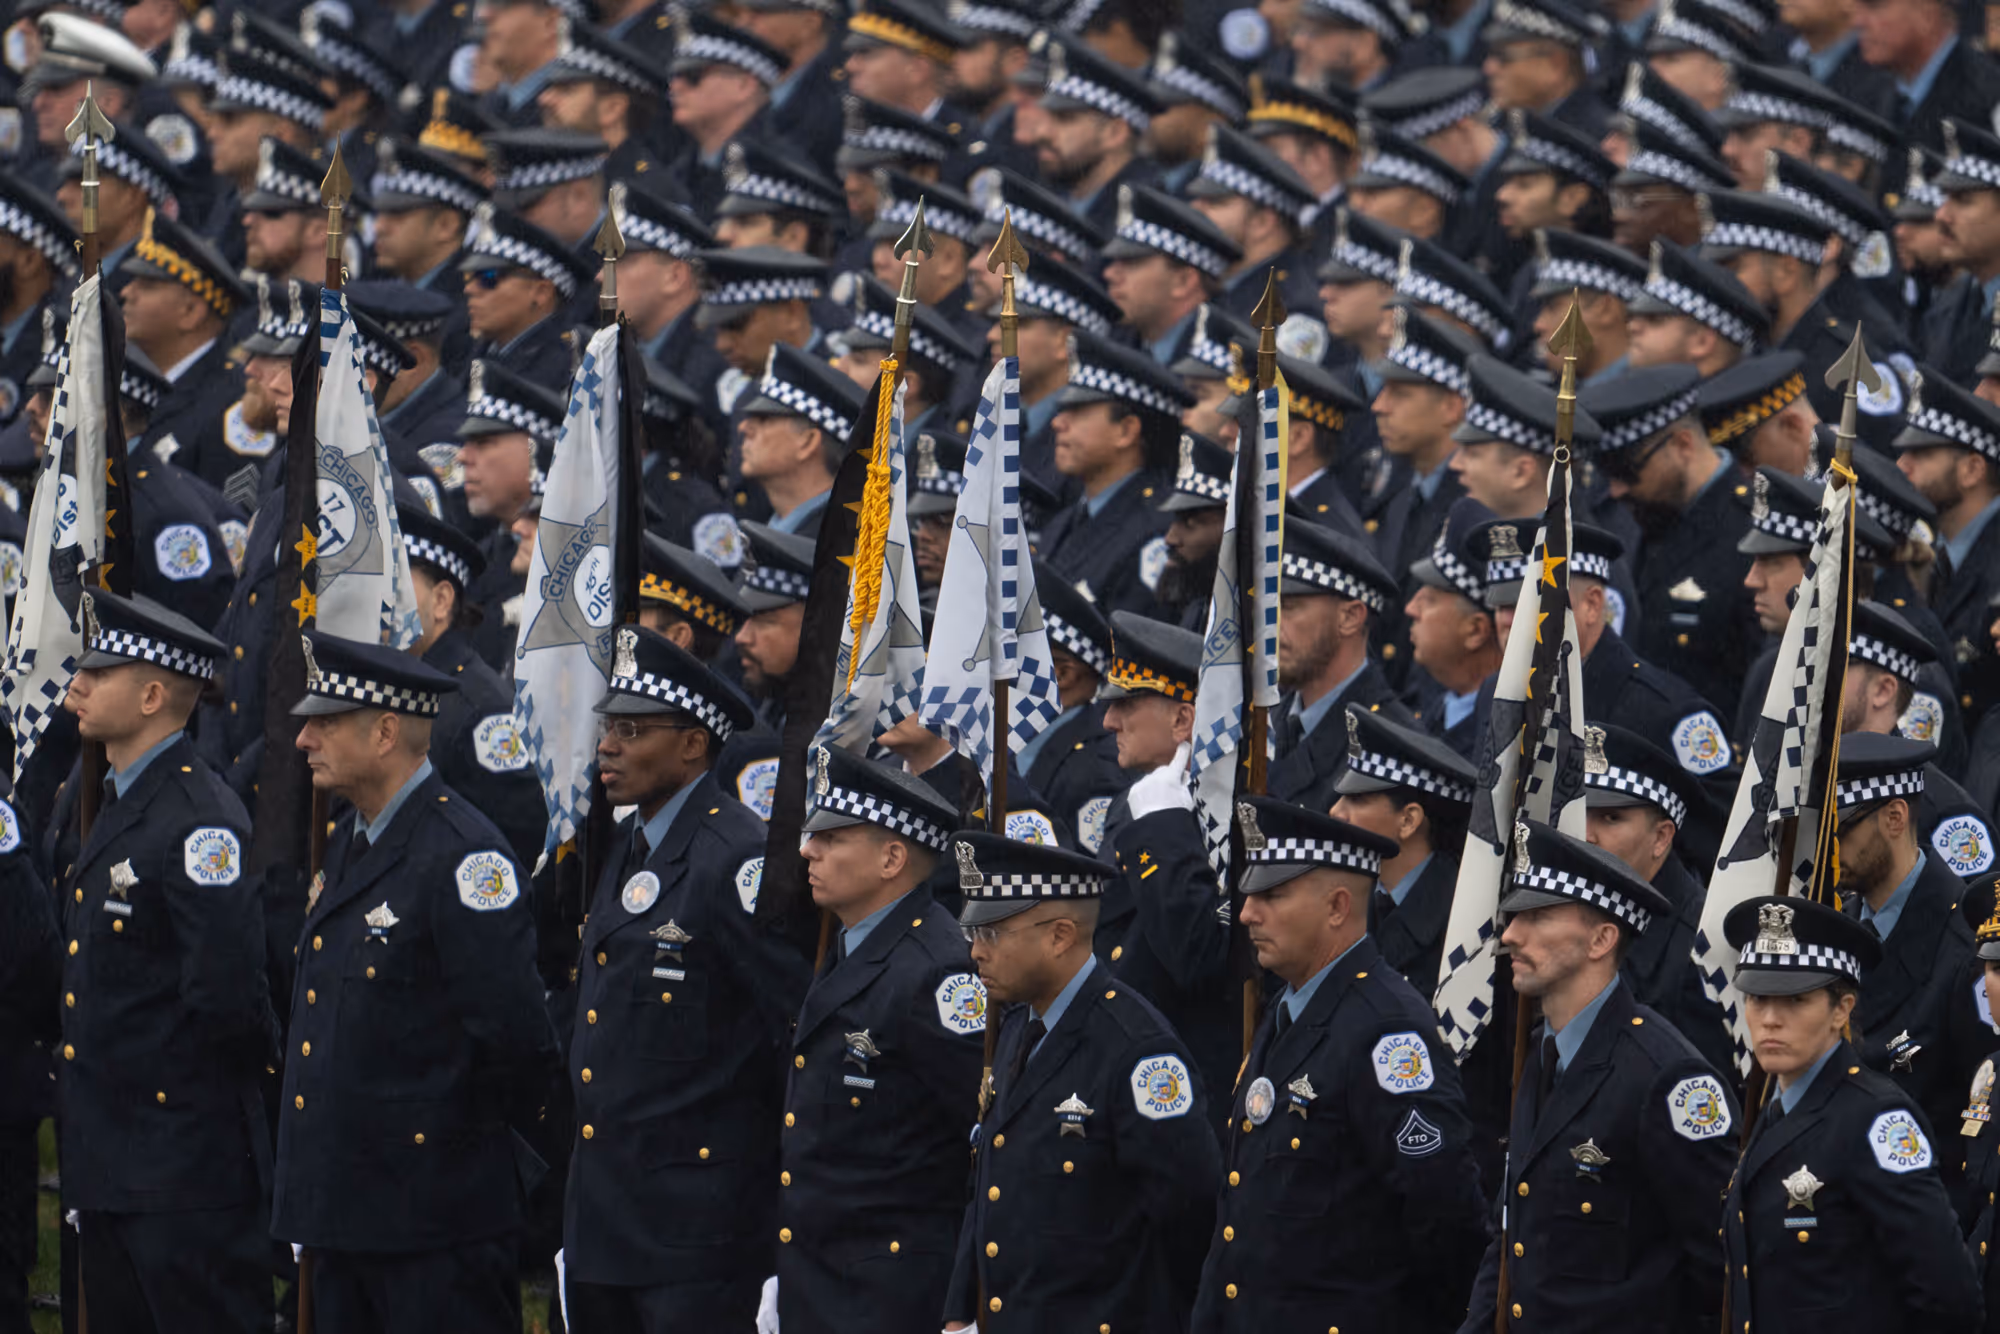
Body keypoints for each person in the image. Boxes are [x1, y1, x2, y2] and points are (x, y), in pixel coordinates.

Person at [272, 629, 557, 1334]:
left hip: (433, 1223)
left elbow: (517, 1041)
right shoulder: (352, 839)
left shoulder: (464, 860)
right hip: (348, 1210)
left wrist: (462, 1162)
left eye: (325, 722)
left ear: (386, 731)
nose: (304, 738)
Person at [563, 626, 810, 1329]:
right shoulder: (630, 839)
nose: (607, 746)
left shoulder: (737, 860)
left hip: (698, 1227)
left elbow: (792, 1026)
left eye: (632, 729)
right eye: (608, 726)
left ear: (693, 743)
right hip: (607, 1216)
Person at [56, 591, 274, 1334]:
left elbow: (228, 1001)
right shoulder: (119, 801)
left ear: (153, 695)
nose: (75, 685)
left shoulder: (197, 824)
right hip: (115, 1160)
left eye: (99, 672)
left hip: (181, 1169)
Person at [1191, 796, 1488, 1332]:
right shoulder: (1288, 1008)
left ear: (1337, 908)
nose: (1247, 912)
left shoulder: (1386, 1033)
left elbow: (1446, 1218)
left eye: (1273, 895)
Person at [1461, 818, 1738, 1334]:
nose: (1510, 935)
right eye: (1515, 916)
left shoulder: (1667, 1080)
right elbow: (1511, 1238)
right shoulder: (1545, 1055)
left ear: (1601, 939)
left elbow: (1720, 1271)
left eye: (1538, 917)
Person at [942, 832, 1221, 1332]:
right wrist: (961, 1313)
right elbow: (990, 1185)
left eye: (993, 934)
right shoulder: (1017, 1029)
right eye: (973, 935)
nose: (976, 954)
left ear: (1060, 936)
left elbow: (1192, 1216)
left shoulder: (1137, 1051)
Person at [772, 744, 985, 1334]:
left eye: (834, 838)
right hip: (823, 1280)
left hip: (890, 1294)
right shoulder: (852, 943)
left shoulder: (938, 974)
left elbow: (984, 1144)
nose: (808, 849)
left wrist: (964, 1299)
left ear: (892, 857)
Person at [1721, 893, 1982, 1331]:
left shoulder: (1877, 1121)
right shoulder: (1777, 1109)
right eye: (1757, 998)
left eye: (1794, 1001)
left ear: (1841, 1009)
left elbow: (1949, 1298)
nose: (1768, 1019)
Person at [1827, 733, 1987, 1208]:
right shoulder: (1838, 925)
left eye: (1840, 831)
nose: (1826, 849)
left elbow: (1980, 1141)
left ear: (1894, 818)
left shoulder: (1968, 952)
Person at [397, 502, 546, 872]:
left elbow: (520, 848)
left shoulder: (481, 711)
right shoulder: (401, 686)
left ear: (442, 600)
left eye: (394, 580)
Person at [1581, 723, 1732, 1074]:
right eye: (1580, 812)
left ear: (1662, 837)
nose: (1586, 835)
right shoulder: (1568, 911)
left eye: (1610, 818)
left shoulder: (1703, 950)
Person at [1331, 704, 1478, 995]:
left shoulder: (1464, 926)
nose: (1336, 811)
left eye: (1357, 800)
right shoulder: (1351, 900)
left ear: (1409, 820)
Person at [1269, 518, 1412, 807]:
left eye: (1289, 606)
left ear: (1349, 618)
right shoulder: (1266, 721)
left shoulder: (1387, 750)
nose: (1269, 626)